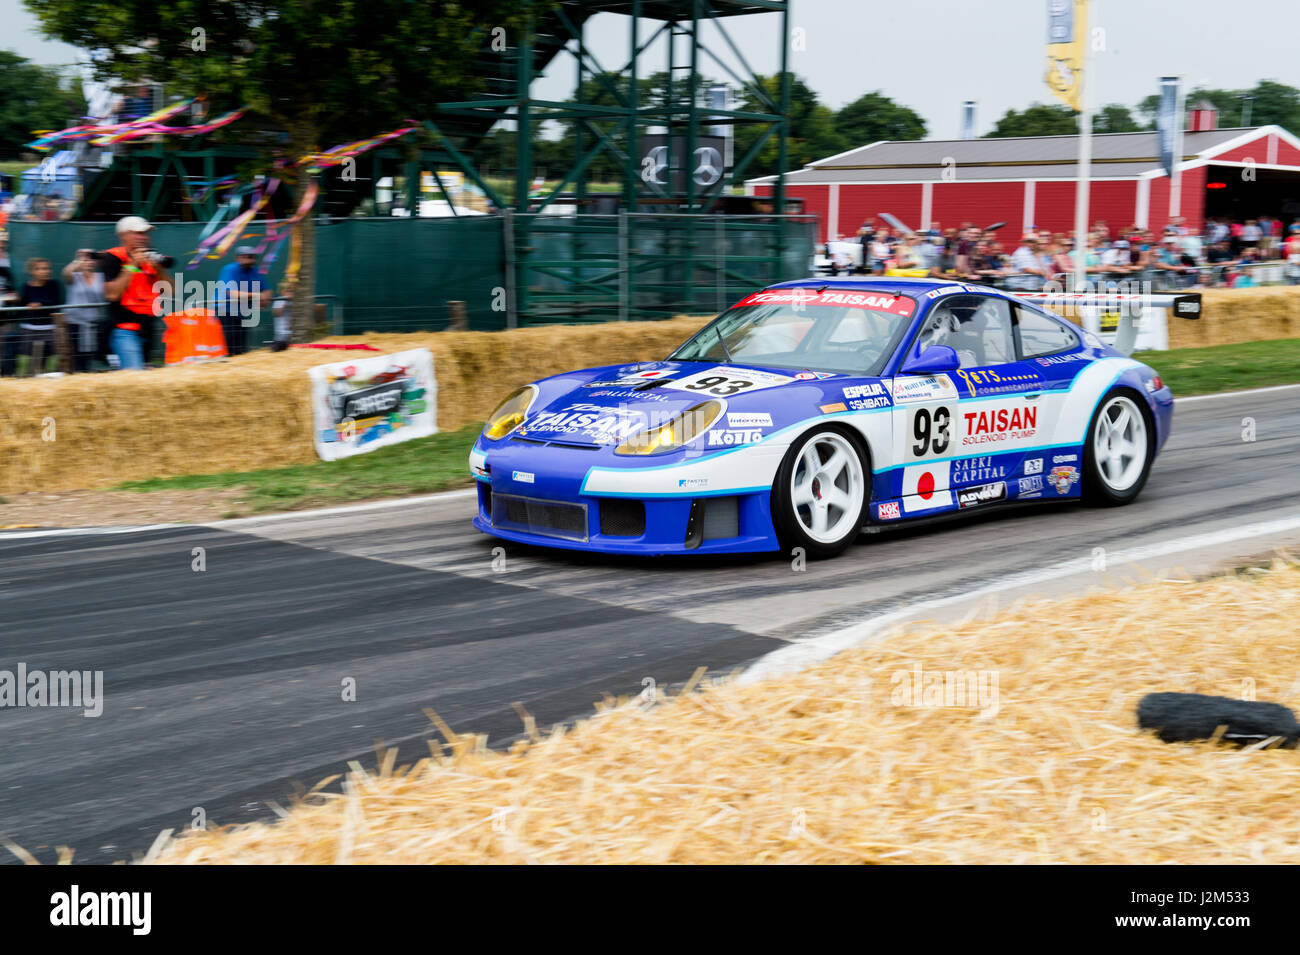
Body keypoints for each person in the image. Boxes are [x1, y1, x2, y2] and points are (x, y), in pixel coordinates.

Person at [101, 215, 174, 369]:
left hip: (147, 329)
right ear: (123, 236)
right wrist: (133, 264)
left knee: (139, 378)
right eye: (138, 233)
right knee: (135, 375)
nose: (144, 237)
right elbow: (112, 294)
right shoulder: (112, 257)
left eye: (145, 233)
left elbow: (171, 291)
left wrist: (159, 269)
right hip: (123, 330)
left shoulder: (151, 258)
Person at [1, 257, 63, 376]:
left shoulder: (54, 284)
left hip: (49, 329)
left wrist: (41, 304)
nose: (44, 271)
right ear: (32, 271)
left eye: (46, 268)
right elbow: (22, 308)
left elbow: (55, 302)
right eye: (40, 269)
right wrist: (16, 301)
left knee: (50, 362)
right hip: (29, 330)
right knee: (25, 361)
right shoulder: (26, 287)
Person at [62, 249, 106, 372]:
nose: (89, 262)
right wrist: (78, 259)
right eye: (85, 259)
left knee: (92, 356)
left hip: (94, 323)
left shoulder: (101, 277)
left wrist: (102, 256)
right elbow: (66, 272)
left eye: (91, 259)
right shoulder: (74, 277)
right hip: (75, 323)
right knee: (76, 356)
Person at [214, 245, 263, 354]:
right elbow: (232, 293)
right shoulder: (230, 269)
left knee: (240, 346)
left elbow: (266, 290)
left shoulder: (255, 271)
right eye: (245, 256)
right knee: (228, 344)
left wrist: (264, 297)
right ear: (238, 258)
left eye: (251, 257)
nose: (249, 259)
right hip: (225, 312)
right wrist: (257, 296)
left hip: (242, 312)